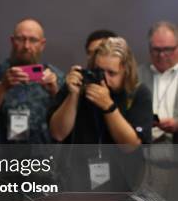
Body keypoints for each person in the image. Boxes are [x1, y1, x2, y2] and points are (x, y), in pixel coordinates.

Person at [49, 37, 152, 191]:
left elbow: (130, 146)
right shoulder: (77, 86)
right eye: (99, 71)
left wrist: (108, 107)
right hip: (74, 183)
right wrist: (73, 95)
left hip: (121, 185)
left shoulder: (137, 93)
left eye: (112, 73)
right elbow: (58, 133)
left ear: (126, 71)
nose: (104, 79)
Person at [0, 18, 63, 144]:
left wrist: (55, 92)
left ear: (42, 44)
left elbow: (65, 129)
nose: (26, 46)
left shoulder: (54, 77)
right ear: (12, 41)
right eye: (20, 39)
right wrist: (2, 88)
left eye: (33, 40)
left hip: (44, 159)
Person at [137, 21, 178, 201]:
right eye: (156, 50)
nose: (162, 55)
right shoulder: (136, 75)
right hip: (144, 161)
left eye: (168, 49)